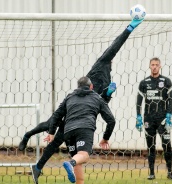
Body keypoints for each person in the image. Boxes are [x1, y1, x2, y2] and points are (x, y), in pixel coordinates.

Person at [18, 17, 144, 184]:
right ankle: (28, 137)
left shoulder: (108, 78)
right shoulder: (101, 63)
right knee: (53, 128)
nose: (112, 58)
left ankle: (38, 167)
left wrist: (108, 94)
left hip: (80, 113)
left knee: (59, 142)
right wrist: (129, 28)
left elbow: (100, 104)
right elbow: (115, 46)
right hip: (79, 109)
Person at [46, 76, 116, 184]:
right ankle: (70, 163)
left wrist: (51, 132)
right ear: (91, 86)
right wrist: (105, 138)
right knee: (84, 156)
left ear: (78, 86)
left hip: (68, 131)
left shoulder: (69, 97)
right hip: (85, 129)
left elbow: (56, 115)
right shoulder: (97, 98)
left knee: (77, 159)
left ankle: (73, 165)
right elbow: (111, 120)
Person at [136, 57, 172, 180]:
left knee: (167, 145)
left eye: (156, 65)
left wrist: (169, 115)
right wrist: (138, 116)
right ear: (149, 66)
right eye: (152, 64)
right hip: (149, 119)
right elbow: (139, 102)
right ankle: (152, 173)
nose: (154, 67)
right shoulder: (144, 83)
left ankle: (170, 172)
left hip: (163, 119)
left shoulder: (166, 81)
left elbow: (171, 100)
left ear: (160, 66)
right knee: (150, 146)